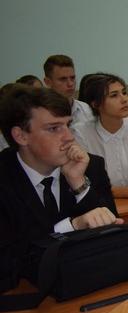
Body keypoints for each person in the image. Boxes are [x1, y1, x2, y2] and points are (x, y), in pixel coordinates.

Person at [0, 86, 120, 277]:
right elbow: (7, 261)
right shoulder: (5, 178)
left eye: (68, 125)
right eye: (53, 128)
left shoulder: (90, 167)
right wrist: (71, 226)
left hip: (88, 276)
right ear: (21, 136)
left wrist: (80, 185)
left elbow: (115, 236)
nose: (69, 137)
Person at [72, 73, 128, 200]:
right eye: (114, 95)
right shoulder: (81, 132)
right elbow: (90, 185)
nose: (124, 99)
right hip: (100, 202)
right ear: (96, 104)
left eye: (124, 93)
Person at [42, 55, 93, 124]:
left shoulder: (86, 110)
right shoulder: (40, 112)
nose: (70, 84)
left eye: (72, 78)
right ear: (48, 82)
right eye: (63, 79)